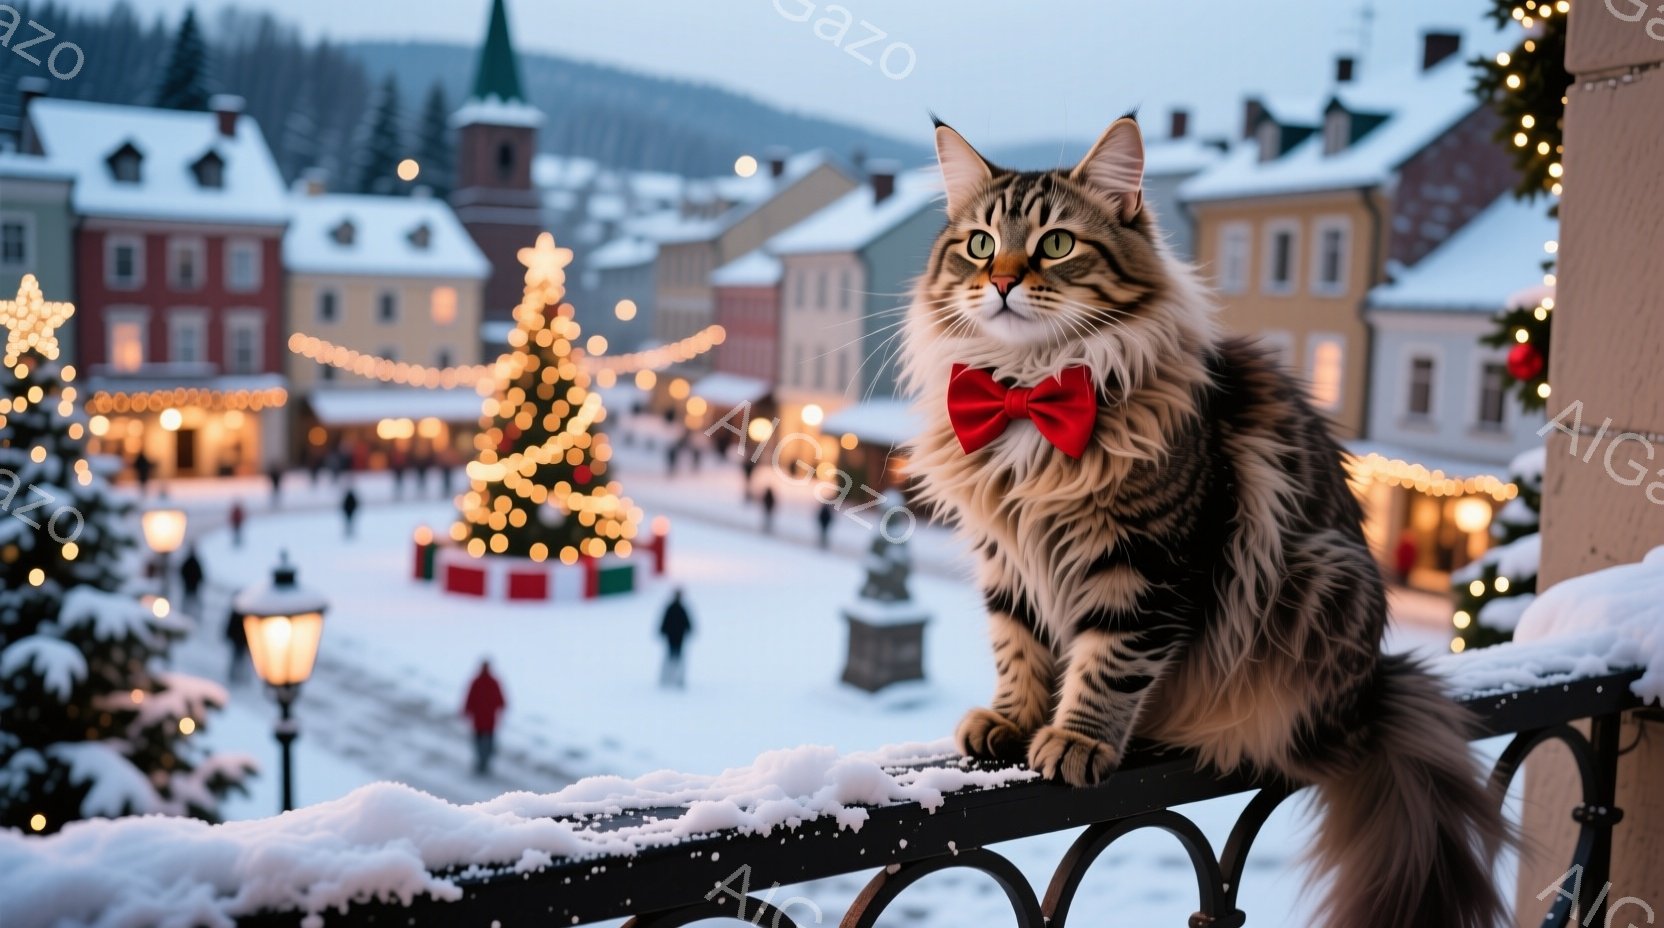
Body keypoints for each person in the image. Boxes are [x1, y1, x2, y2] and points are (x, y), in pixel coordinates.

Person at [462, 660, 506, 776]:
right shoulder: (491, 682)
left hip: (481, 720)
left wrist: (466, 710)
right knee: (486, 744)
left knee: (480, 743)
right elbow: (501, 701)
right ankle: (483, 763)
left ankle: (482, 763)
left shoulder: (479, 682)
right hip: (488, 721)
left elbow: (469, 699)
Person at [658, 589, 693, 689]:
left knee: (674, 658)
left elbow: (687, 623)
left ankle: (674, 678)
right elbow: (665, 621)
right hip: (674, 637)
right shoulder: (677, 608)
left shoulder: (678, 608)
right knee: (673, 658)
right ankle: (670, 678)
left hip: (676, 637)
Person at [225, 607, 249, 685]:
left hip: (242, 639)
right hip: (240, 639)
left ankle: (238, 675)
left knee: (239, 657)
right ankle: (235, 675)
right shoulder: (241, 607)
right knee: (238, 657)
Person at [179, 545, 205, 616]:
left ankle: (190, 614)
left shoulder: (193, 562)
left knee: (192, 601)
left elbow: (200, 574)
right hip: (190, 585)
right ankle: (185, 614)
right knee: (188, 601)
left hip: (192, 586)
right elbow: (182, 571)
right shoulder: (191, 562)